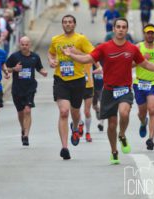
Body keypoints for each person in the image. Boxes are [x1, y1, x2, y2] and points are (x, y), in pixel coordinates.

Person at [61, 18, 154, 164]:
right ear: (113, 29)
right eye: (118, 27)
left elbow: (144, 64)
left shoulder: (132, 48)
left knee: (124, 113)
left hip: (125, 89)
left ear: (126, 30)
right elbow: (87, 59)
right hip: (109, 90)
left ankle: (122, 134)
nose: (120, 29)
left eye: (123, 27)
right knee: (111, 124)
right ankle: (114, 151)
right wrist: (72, 55)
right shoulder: (104, 47)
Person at [47, 15, 95, 160]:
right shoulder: (56, 39)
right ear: (62, 24)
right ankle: (64, 147)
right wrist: (51, 61)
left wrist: (76, 52)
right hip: (61, 79)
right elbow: (51, 52)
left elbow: (93, 55)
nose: (67, 24)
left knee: (75, 112)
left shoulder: (81, 39)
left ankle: (75, 127)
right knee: (63, 111)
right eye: (65, 22)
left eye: (70, 22)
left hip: (78, 80)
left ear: (74, 24)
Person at [6, 36, 48, 146]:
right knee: (20, 112)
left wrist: (43, 72)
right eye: (22, 44)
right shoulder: (14, 56)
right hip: (17, 88)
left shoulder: (35, 57)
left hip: (30, 88)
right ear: (20, 45)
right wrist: (13, 69)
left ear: (30, 45)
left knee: (27, 110)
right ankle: (23, 128)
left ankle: (26, 136)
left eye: (26, 44)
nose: (24, 46)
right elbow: (5, 68)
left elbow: (39, 67)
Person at [133, 24, 154, 150]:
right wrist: (141, 60)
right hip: (140, 83)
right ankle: (143, 122)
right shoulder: (138, 47)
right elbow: (130, 64)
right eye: (148, 33)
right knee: (142, 112)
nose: (150, 35)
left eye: (152, 33)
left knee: (152, 110)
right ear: (144, 34)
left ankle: (150, 139)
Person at [78, 63, 95, 142]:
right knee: (76, 110)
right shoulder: (74, 54)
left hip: (89, 86)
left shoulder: (89, 54)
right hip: (77, 86)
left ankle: (88, 132)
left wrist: (92, 72)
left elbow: (99, 67)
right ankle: (80, 124)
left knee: (87, 111)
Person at [92, 63, 105, 132]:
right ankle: (97, 110)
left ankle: (101, 124)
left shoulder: (105, 59)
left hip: (103, 85)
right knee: (94, 106)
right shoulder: (93, 60)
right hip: (93, 85)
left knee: (102, 104)